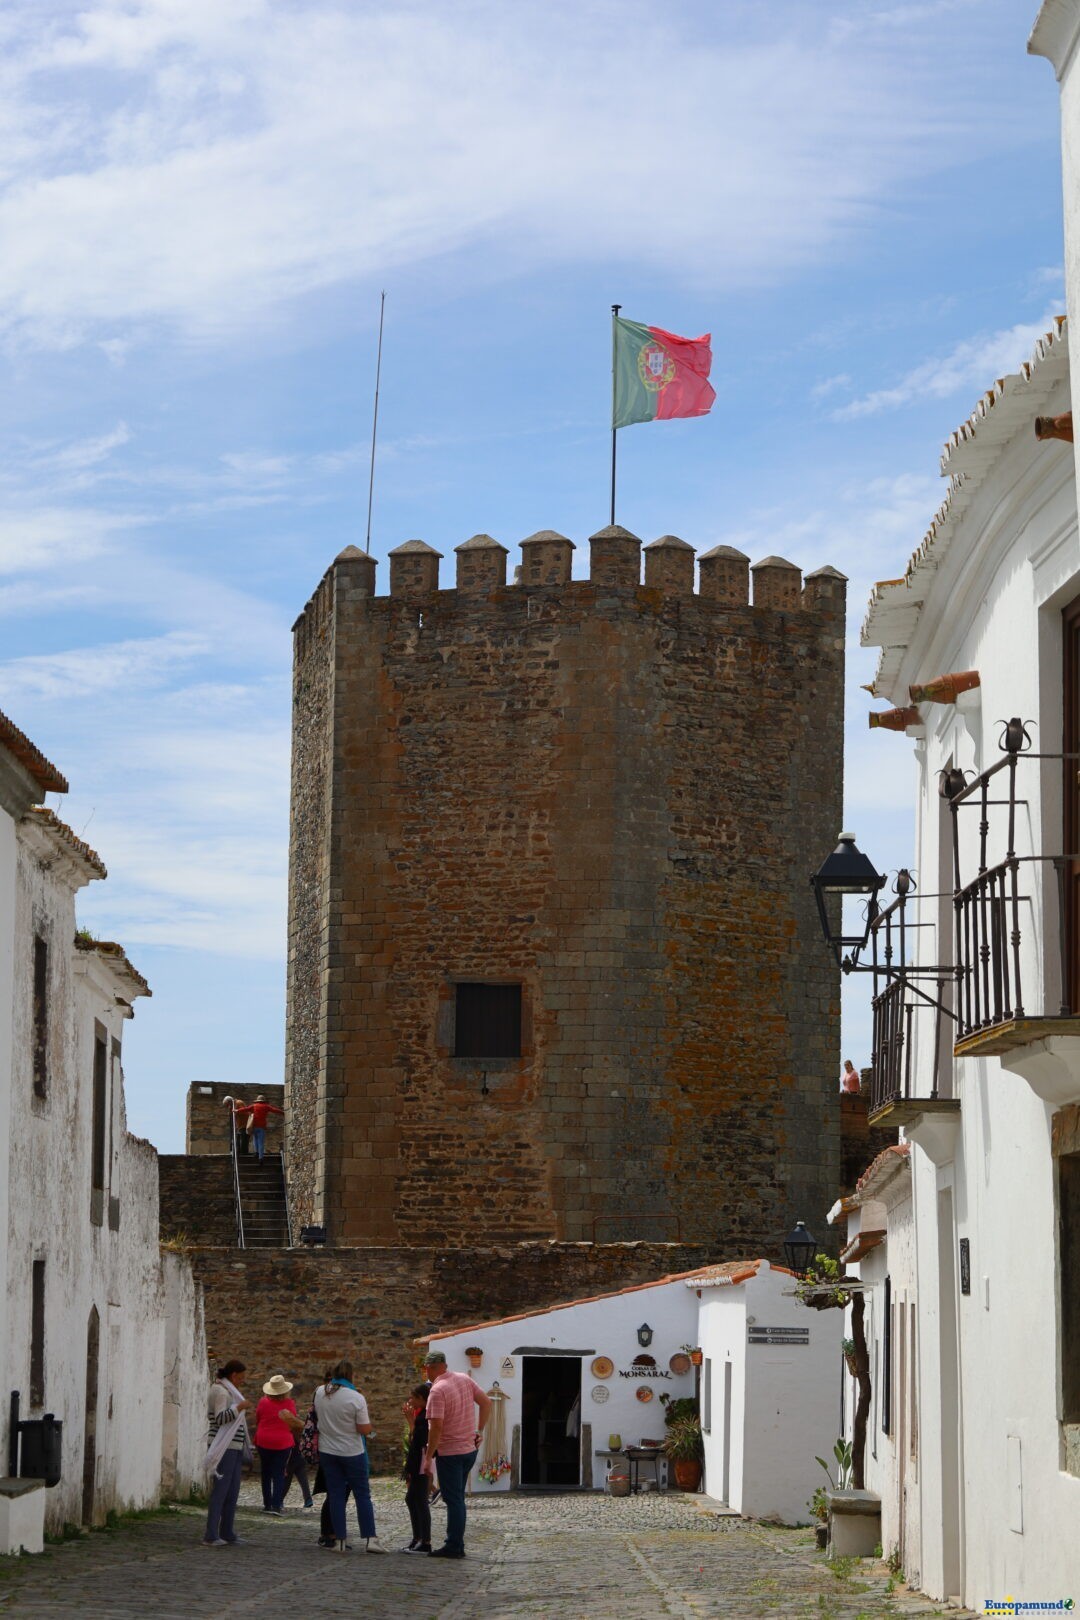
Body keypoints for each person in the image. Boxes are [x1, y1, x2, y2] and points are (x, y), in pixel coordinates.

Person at [423, 1350, 492, 1560]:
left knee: (454, 1500)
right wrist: (479, 1430)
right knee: (457, 1498)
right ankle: (455, 1543)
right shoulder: (464, 1378)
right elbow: (486, 1402)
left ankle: (454, 1546)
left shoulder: (437, 1390)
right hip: (469, 1449)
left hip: (450, 1451)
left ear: (430, 1367)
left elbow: (436, 1427)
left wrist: (428, 1457)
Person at [313, 1359, 385, 1553]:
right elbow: (363, 1428)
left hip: (328, 1450)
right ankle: (370, 1538)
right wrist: (371, 1430)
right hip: (352, 1451)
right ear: (351, 1375)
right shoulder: (355, 1397)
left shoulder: (319, 1392)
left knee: (335, 1494)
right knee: (362, 1495)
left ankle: (340, 1540)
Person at [203, 1359, 250, 1547]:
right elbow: (221, 1418)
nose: (242, 1381)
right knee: (221, 1491)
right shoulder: (220, 1392)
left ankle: (227, 1531)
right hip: (225, 1447)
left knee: (232, 1491)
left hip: (234, 1447)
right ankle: (211, 1534)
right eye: (241, 1378)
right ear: (233, 1376)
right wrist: (239, 1407)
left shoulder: (229, 1391)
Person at [255, 1373, 303, 1514]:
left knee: (266, 1472)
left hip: (263, 1440)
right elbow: (292, 1422)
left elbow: (258, 1419)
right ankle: (276, 1505)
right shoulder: (289, 1404)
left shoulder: (263, 1402)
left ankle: (267, 1504)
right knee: (279, 1473)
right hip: (282, 1442)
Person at [401, 1382, 433, 1554]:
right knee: (411, 1499)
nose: (410, 1400)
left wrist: (411, 1423)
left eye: (413, 1397)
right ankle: (418, 1538)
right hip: (417, 1460)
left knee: (419, 1500)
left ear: (421, 1398)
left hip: (422, 1461)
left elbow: (419, 1438)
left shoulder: (426, 1415)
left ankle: (425, 1541)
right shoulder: (421, 1412)